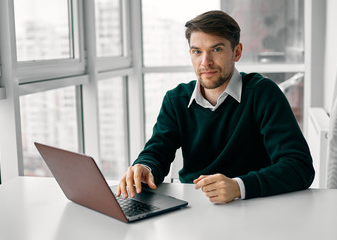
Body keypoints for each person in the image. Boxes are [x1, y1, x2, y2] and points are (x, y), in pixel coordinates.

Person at [117, 10, 314, 203]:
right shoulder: (175, 99)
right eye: (197, 52)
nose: (205, 62)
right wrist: (145, 167)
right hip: (192, 206)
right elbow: (157, 152)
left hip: (251, 206)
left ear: (236, 52)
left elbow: (299, 166)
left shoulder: (262, 93)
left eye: (216, 49)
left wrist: (238, 187)